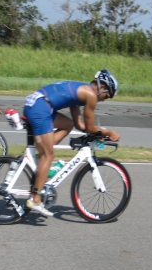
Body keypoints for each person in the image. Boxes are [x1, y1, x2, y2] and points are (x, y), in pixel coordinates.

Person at [22, 69, 121, 217]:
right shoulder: (91, 95)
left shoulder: (81, 90)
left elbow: (79, 125)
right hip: (40, 107)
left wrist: (97, 133)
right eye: (108, 95)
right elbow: (89, 127)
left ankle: (40, 156)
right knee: (48, 156)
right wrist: (108, 132)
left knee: (66, 125)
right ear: (102, 87)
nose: (105, 99)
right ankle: (35, 199)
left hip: (38, 103)